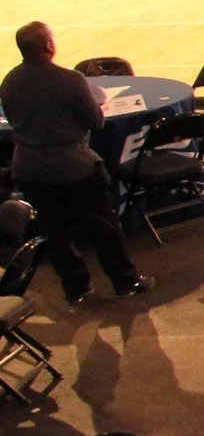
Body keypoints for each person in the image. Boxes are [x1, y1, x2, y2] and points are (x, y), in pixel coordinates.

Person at [0, 22, 149, 305]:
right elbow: (95, 122)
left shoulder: (9, 81)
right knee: (103, 226)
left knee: (54, 232)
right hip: (73, 166)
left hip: (30, 168)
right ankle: (125, 281)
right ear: (49, 46)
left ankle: (76, 288)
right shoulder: (70, 80)